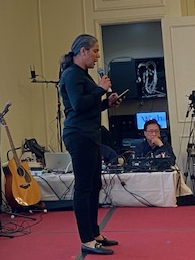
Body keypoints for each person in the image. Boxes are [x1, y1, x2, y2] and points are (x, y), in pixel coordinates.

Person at [59, 34, 122, 256]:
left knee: (95, 185)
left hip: (90, 134)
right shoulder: (71, 74)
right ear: (82, 51)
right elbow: (78, 105)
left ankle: (95, 234)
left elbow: (89, 106)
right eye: (95, 51)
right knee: (84, 187)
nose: (97, 56)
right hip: (79, 136)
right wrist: (100, 89)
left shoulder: (82, 75)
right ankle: (86, 239)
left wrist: (106, 103)